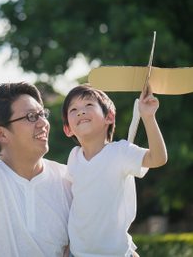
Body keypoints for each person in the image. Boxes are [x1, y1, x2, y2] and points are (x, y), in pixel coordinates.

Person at [0, 11, 72, 257]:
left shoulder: (69, 179)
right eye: (31, 117)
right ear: (1, 133)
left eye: (43, 114)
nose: (43, 123)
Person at [62, 84, 168, 257]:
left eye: (89, 105)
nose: (80, 111)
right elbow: (75, 207)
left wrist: (148, 117)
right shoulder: (73, 156)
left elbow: (158, 158)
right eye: (73, 109)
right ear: (67, 129)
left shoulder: (121, 152)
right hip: (78, 253)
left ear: (109, 117)